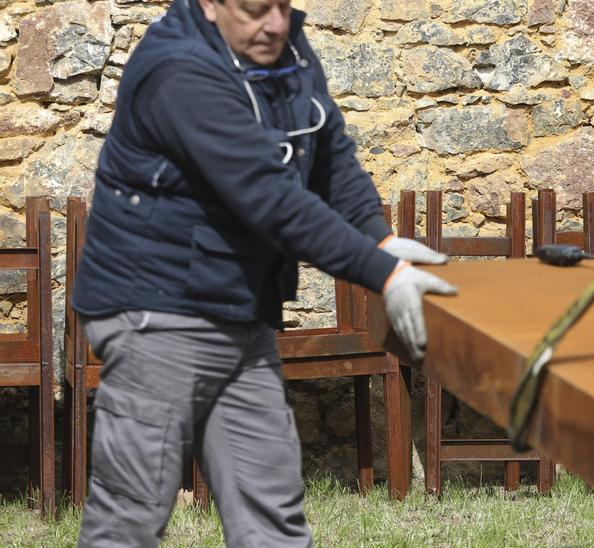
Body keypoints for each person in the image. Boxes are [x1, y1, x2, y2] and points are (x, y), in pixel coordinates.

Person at [71, 0, 451, 545]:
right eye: (254, 10)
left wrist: (379, 235)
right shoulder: (178, 71)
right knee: (129, 519)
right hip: (154, 309)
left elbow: (328, 155)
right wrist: (384, 274)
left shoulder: (285, 46)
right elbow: (270, 199)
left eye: (282, 4)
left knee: (271, 516)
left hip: (237, 310)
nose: (275, 22)